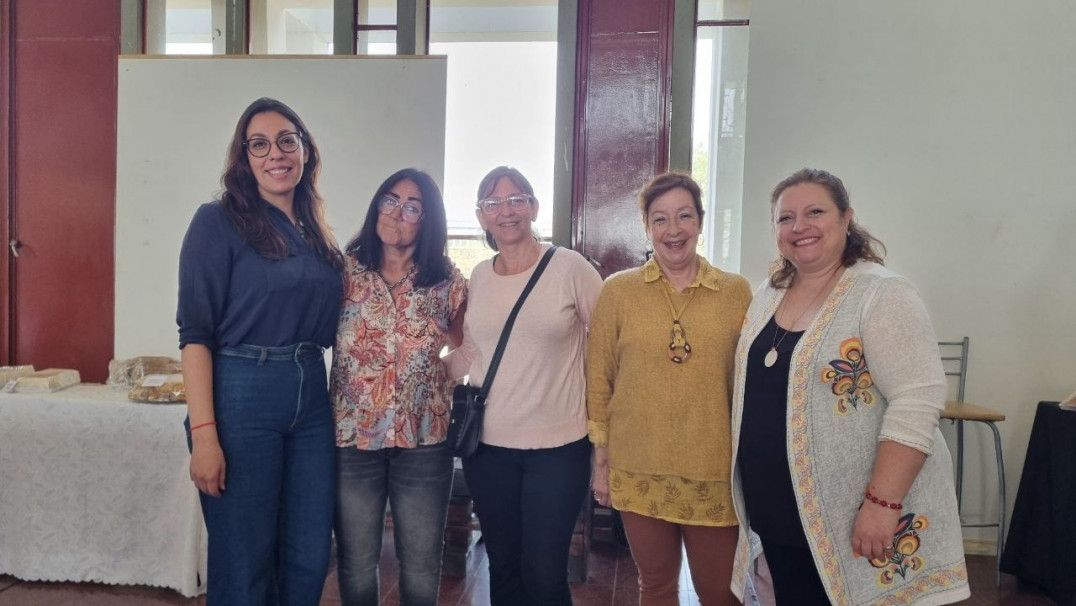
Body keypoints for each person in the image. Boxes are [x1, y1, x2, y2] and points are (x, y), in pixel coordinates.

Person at [729, 168, 970, 604]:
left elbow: (917, 399)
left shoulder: (880, 293)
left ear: (846, 218)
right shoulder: (768, 292)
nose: (799, 227)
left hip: (852, 514)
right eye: (785, 218)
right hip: (780, 511)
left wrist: (883, 504)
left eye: (815, 212)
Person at [177, 97, 344, 604]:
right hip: (242, 391)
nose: (276, 153)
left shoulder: (314, 231)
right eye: (260, 144)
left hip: (311, 392)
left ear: (305, 151)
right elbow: (195, 335)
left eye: (287, 140)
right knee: (245, 558)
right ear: (244, 158)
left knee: (310, 551)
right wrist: (205, 436)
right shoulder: (217, 222)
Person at [587, 172, 751, 606]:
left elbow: (749, 386)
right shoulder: (617, 291)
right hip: (638, 465)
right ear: (646, 226)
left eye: (684, 216)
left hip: (714, 468)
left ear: (699, 220)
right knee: (655, 587)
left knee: (720, 593)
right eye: (660, 219)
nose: (673, 230)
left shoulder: (736, 293)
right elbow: (599, 379)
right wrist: (601, 461)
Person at [443, 166, 603, 605]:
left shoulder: (570, 267)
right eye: (493, 203)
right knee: (504, 565)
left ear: (533, 207)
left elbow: (608, 346)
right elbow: (473, 354)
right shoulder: (479, 276)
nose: (506, 211)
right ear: (480, 216)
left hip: (559, 448)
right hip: (489, 449)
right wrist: (422, 372)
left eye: (516, 199)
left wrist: (605, 433)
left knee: (545, 572)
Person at [330, 168, 467, 606]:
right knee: (354, 561)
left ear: (427, 220)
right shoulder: (343, 273)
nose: (397, 212)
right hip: (353, 440)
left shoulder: (448, 282)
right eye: (389, 200)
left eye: (412, 206)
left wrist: (436, 377)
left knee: (422, 564)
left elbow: (470, 350)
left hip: (424, 442)